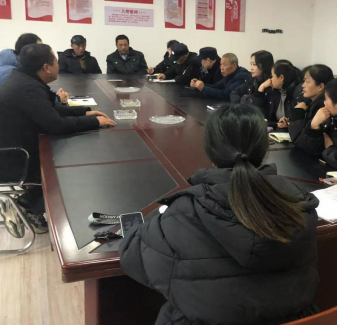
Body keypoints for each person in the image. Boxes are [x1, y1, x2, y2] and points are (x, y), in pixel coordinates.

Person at [119, 104, 319, 325]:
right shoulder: (297, 203)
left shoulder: (184, 212)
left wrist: (159, 215)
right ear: (263, 149)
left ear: (211, 152)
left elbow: (132, 258)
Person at [0, 44, 116, 233]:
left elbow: (49, 109)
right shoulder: (28, 88)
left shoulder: (24, 79)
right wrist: (95, 122)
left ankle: (25, 203)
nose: (58, 64)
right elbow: (56, 124)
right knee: (68, 165)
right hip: (15, 157)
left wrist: (84, 112)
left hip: (16, 145)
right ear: (46, 67)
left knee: (64, 152)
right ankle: (28, 207)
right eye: (55, 60)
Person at [289, 64, 334, 144]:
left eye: (307, 82)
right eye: (304, 81)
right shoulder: (311, 103)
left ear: (320, 86)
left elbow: (300, 140)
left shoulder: (323, 108)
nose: (303, 85)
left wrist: (298, 114)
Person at [255, 62, 302, 128]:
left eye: (272, 76)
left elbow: (294, 121)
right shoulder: (273, 92)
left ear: (281, 78)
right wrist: (261, 88)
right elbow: (259, 117)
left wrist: (286, 123)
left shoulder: (296, 94)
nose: (270, 80)